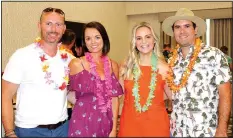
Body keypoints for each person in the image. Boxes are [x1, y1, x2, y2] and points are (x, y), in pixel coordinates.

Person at [2, 7, 74, 137]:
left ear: (64, 29)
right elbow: (5, 96)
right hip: (30, 131)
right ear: (39, 26)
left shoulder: (68, 59)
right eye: (48, 23)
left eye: (58, 24)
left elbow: (66, 92)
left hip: (62, 129)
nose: (53, 29)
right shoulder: (22, 56)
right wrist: (9, 132)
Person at [162, 8, 232, 137]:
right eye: (177, 27)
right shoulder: (172, 60)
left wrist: (222, 129)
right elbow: (171, 94)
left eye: (187, 26)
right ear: (173, 32)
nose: (182, 31)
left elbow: (225, 94)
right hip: (177, 131)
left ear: (196, 30)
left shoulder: (214, 55)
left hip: (206, 131)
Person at [67, 21, 123, 137]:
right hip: (82, 122)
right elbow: (66, 92)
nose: (93, 42)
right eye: (88, 38)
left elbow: (114, 100)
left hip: (106, 121)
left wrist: (113, 130)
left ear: (104, 39)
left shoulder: (113, 65)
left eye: (97, 37)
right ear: (84, 42)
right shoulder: (76, 64)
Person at [118, 22, 172, 137]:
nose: (144, 41)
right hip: (129, 125)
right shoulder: (126, 65)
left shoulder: (164, 67)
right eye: (139, 38)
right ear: (134, 42)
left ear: (154, 40)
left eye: (148, 36)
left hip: (157, 126)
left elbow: (173, 96)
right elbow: (116, 95)